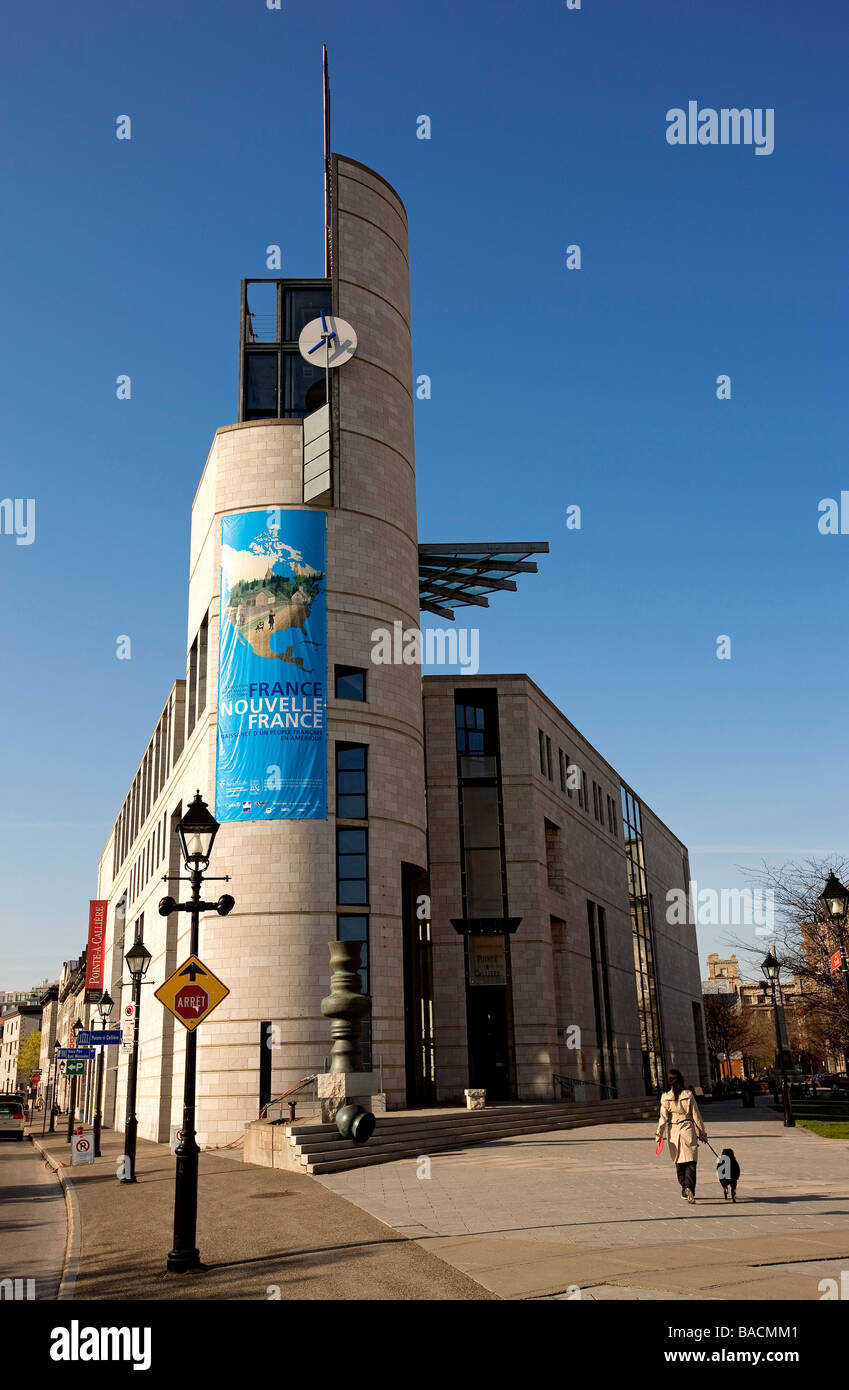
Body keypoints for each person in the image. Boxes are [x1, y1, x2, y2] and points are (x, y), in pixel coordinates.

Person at [655, 1069, 708, 1203]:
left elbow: (662, 1118)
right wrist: (702, 1133)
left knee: (679, 1160)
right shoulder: (688, 1095)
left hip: (673, 1131)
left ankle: (684, 1186)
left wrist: (659, 1134)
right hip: (688, 1128)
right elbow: (696, 1116)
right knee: (690, 1160)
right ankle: (689, 1187)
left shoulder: (665, 1097)